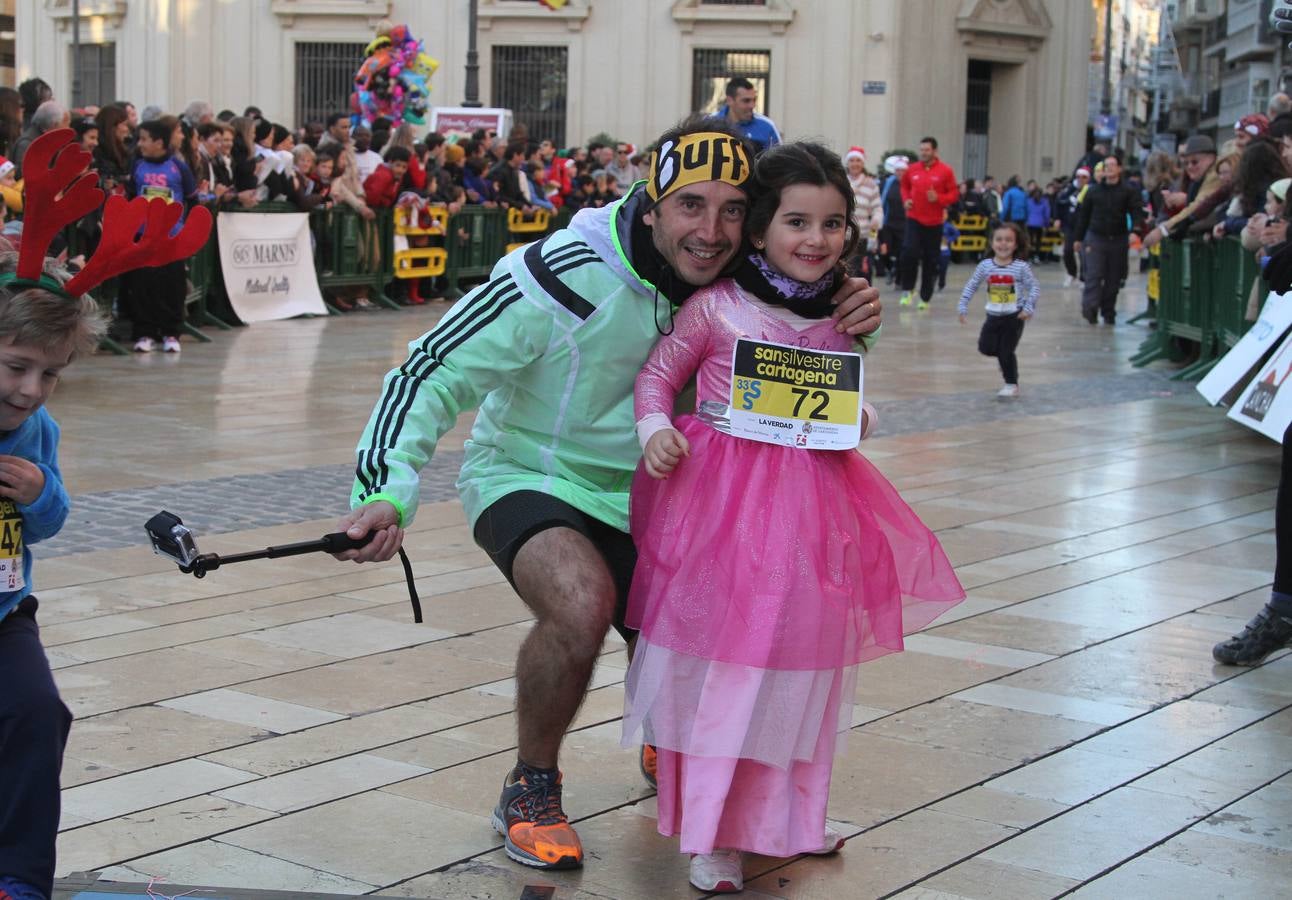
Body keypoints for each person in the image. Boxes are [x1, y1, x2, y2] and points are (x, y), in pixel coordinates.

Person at [333, 115, 882, 873]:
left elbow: (802, 330)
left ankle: (687, 754)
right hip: (532, 474)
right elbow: (430, 368)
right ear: (650, 203)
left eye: (731, 210)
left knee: (750, 613)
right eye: (691, 205)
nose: (711, 230)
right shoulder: (560, 271)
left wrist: (854, 313)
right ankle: (531, 786)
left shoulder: (734, 277)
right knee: (583, 599)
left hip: (667, 494)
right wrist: (386, 490)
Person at [621, 141, 962, 893]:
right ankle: (713, 835)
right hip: (723, 513)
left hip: (812, 513)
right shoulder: (717, 307)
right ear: (762, 228)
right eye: (798, 222)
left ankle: (790, 820)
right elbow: (658, 374)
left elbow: (844, 394)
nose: (817, 240)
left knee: (802, 675)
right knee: (728, 672)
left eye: (834, 224)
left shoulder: (841, 312)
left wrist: (861, 412)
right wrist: (656, 430)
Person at [0, 242, 106, 900]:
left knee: (39, 714)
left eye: (51, 374)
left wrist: (40, 492)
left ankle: (18, 877)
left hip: (6, 613)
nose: (30, 390)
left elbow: (50, 522)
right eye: (16, 367)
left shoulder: (38, 431)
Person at [124, 119, 197, 352]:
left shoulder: (178, 167)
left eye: (144, 139)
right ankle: (145, 332)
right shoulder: (137, 166)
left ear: (159, 142)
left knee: (172, 285)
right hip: (143, 236)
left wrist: (187, 230)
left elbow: (192, 197)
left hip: (171, 237)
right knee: (143, 284)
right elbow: (130, 196)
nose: (140, 144)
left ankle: (171, 332)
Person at [957, 222, 1038, 399]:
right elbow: (972, 285)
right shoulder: (985, 266)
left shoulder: (1021, 267)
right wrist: (963, 306)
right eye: (999, 239)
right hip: (993, 316)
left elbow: (1034, 288)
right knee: (985, 347)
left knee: (1006, 351)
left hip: (1014, 316)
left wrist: (1028, 308)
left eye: (1008, 240)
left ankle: (1011, 383)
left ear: (1016, 244)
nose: (1003, 244)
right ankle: (1004, 360)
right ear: (992, 243)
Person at [1073, 154, 1144, 325]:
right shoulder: (1093, 191)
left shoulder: (1128, 191)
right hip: (1096, 237)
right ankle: (1090, 308)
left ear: (1119, 169)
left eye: (1113, 165)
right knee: (1094, 275)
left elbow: (1136, 211)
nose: (1109, 168)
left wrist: (1135, 230)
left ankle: (1108, 311)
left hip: (1118, 238)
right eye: (1106, 166)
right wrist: (1078, 238)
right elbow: (1084, 216)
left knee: (1114, 278)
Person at [898, 136, 958, 309]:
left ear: (934, 151)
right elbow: (904, 186)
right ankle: (907, 289)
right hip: (914, 219)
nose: (923, 153)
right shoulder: (912, 169)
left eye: (927, 150)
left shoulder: (945, 171)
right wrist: (906, 200)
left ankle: (925, 297)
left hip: (934, 223)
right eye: (922, 150)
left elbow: (954, 194)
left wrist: (938, 198)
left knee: (930, 259)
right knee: (909, 252)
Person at [715, 77, 781, 153]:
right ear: (729, 100)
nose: (752, 105)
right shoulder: (710, 123)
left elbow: (778, 161)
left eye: (754, 100)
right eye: (746, 101)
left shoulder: (767, 127)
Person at [1057, 167, 1090, 286]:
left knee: (1083, 253)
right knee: (1067, 251)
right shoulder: (1069, 190)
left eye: (1084, 177)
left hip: (1084, 226)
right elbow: (1060, 203)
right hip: (1070, 225)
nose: (1081, 179)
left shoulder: (1090, 191)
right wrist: (1058, 218)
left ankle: (1083, 277)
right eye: (1078, 177)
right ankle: (1072, 273)